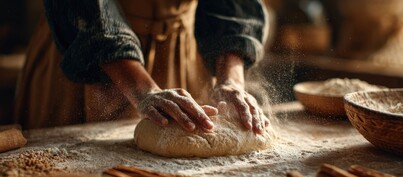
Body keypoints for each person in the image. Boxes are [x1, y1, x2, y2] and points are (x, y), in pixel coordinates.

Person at [14, 0, 270, 134]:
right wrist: (144, 91)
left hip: (179, 49)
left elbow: (235, 4)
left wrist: (230, 80)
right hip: (86, 50)